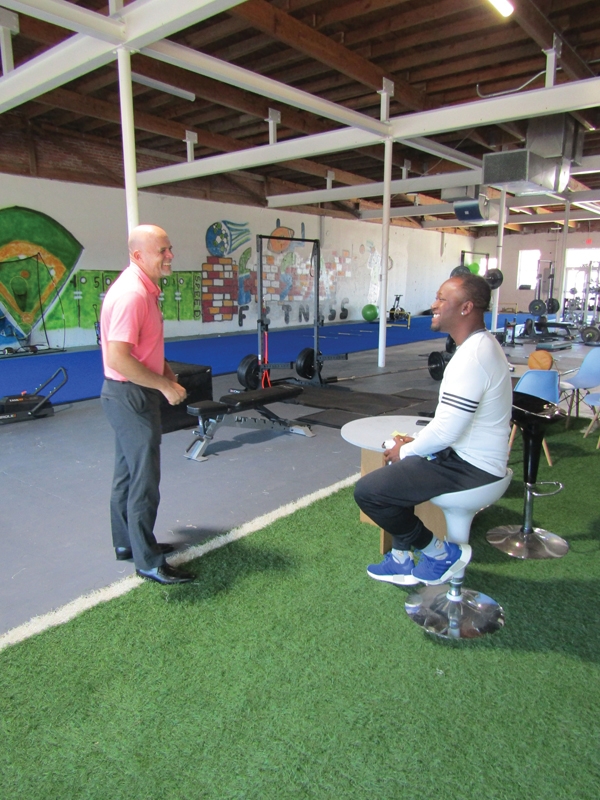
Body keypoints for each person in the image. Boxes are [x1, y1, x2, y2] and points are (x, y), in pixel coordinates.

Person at [354, 273, 512, 586]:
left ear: (466, 307)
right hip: (467, 457)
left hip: (473, 468)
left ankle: (440, 554)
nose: (433, 304)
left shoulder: (473, 357)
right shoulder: (479, 346)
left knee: (369, 492)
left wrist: (408, 449)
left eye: (441, 298)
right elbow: (450, 426)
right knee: (407, 463)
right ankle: (400, 559)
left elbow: (447, 432)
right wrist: (415, 446)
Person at [100, 224, 195, 585]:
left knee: (127, 474)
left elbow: (144, 347)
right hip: (131, 395)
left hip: (129, 393)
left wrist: (167, 372)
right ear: (138, 255)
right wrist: (164, 387)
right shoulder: (132, 295)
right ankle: (149, 561)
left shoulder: (144, 289)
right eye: (162, 251)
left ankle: (127, 544)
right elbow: (120, 358)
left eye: (170, 249)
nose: (170, 256)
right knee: (144, 480)